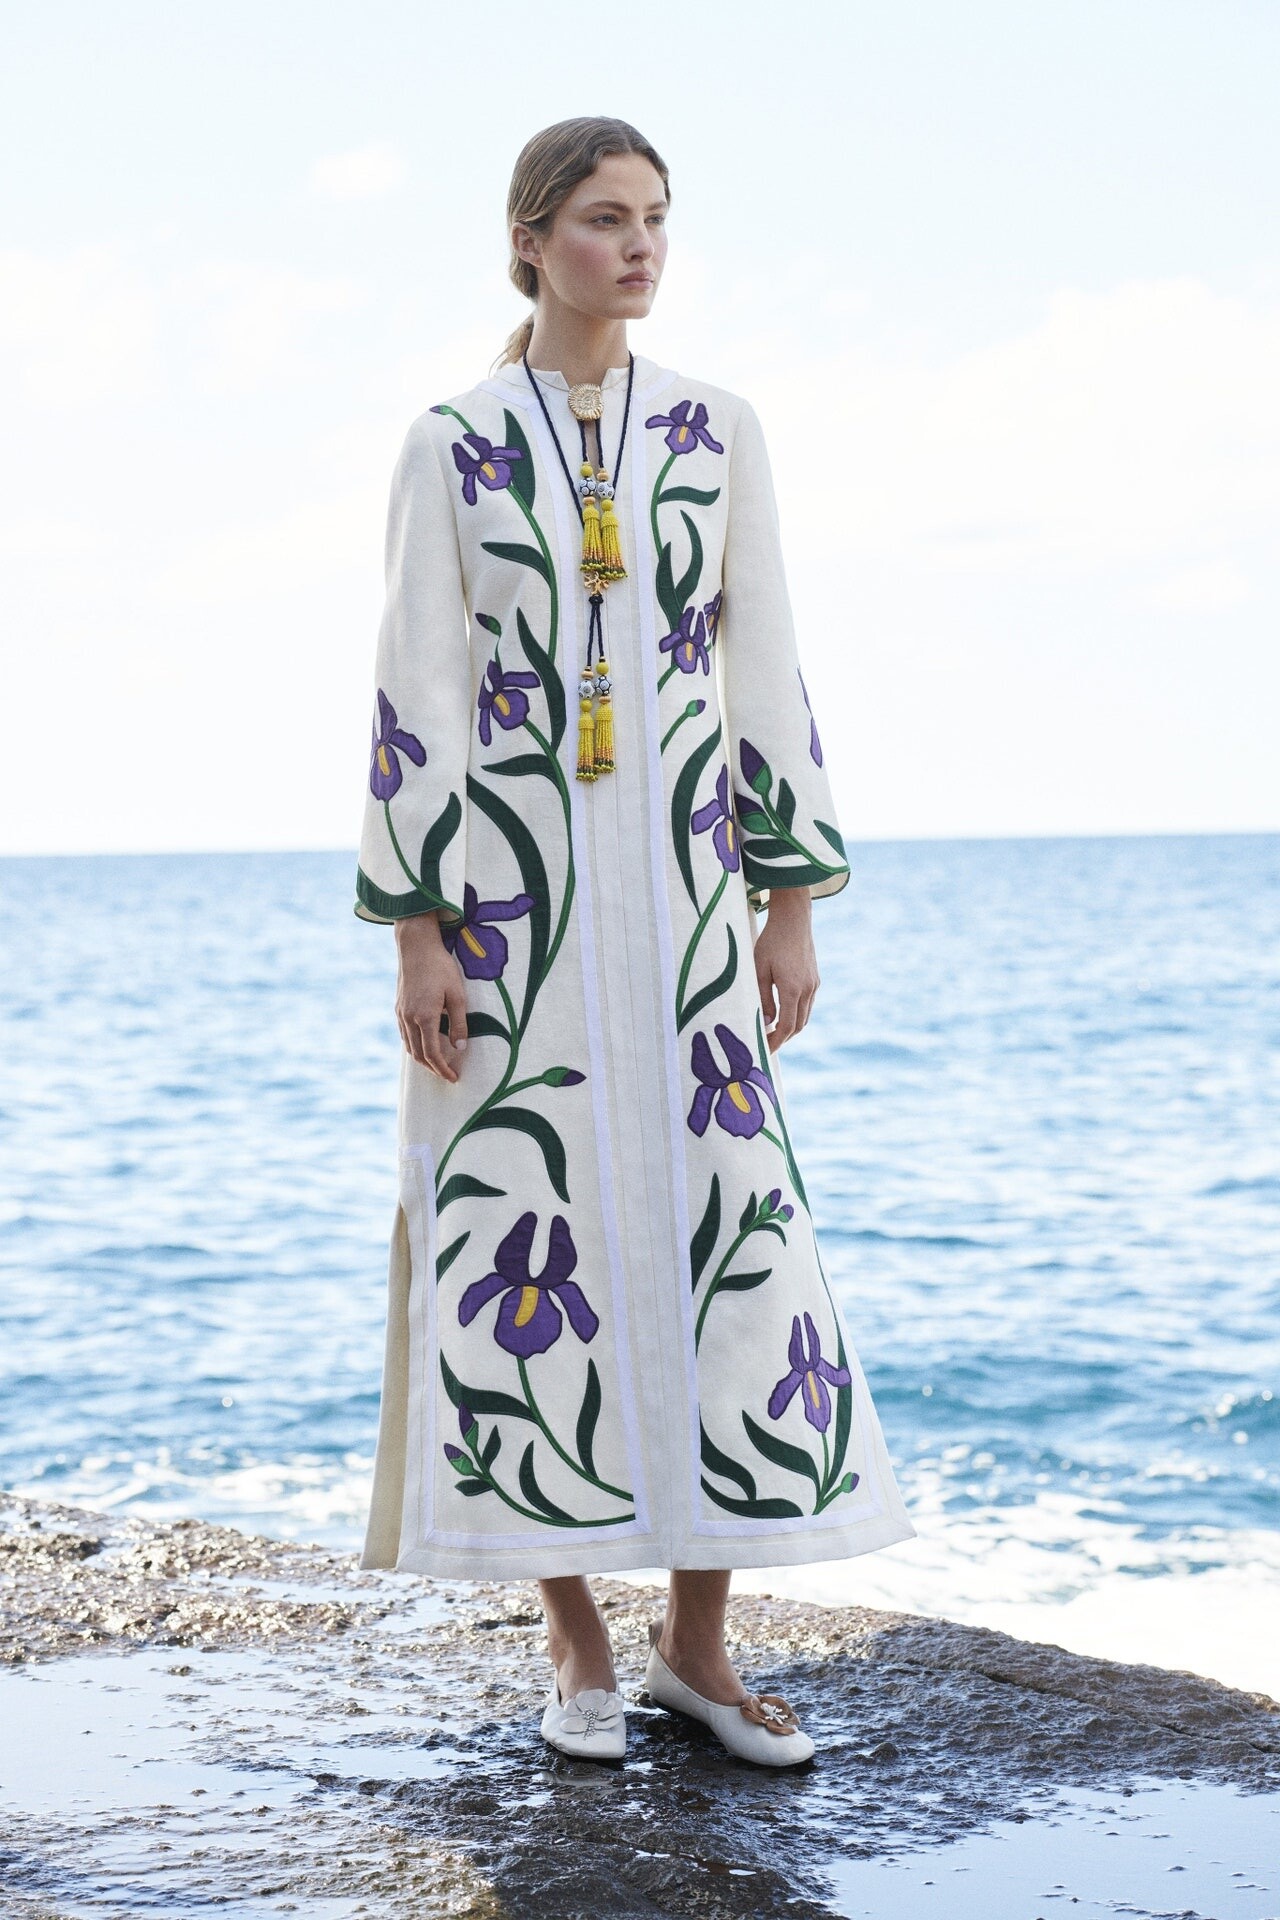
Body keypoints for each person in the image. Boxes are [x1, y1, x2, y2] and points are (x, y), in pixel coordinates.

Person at [355, 115, 915, 1767]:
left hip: (687, 911)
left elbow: (763, 663)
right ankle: (577, 1643)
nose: (642, 246)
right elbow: (414, 690)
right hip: (512, 917)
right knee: (518, 1243)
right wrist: (420, 937)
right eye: (606, 219)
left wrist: (788, 901)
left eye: (657, 218)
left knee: (727, 1243)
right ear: (531, 241)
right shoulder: (452, 444)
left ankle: (698, 1645)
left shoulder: (714, 430)